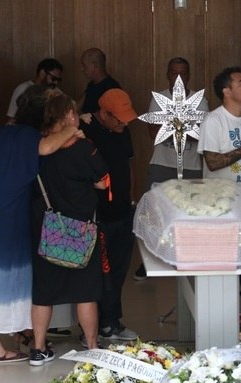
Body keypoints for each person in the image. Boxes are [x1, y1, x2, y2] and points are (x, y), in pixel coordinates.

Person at [0, 85, 82, 363]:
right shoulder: (27, 137)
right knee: (6, 277)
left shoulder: (3, 132)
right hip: (3, 214)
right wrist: (72, 129)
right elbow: (49, 146)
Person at [30, 94, 109, 365]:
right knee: (85, 291)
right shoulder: (83, 148)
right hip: (81, 229)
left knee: (43, 291)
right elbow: (103, 182)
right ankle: (91, 346)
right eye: (74, 113)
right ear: (67, 117)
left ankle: (38, 349)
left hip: (47, 228)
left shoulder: (37, 146)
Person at [197, 66, 241, 312]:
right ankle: (220, 315)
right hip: (220, 206)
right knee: (222, 263)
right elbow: (212, 162)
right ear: (226, 91)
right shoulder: (213, 120)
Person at [133, 57, 209, 281]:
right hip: (162, 163)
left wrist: (176, 127)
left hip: (192, 165)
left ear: (189, 75)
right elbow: (154, 133)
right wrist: (183, 127)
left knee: (192, 214)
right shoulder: (160, 99)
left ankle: (190, 258)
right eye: (174, 72)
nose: (179, 77)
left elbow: (201, 136)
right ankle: (148, 261)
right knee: (152, 213)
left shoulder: (200, 100)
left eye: (183, 73)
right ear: (168, 75)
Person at [81, 88, 139, 341]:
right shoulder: (86, 131)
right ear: (103, 113)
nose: (124, 123)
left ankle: (113, 321)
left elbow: (128, 165)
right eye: (118, 118)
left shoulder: (122, 130)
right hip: (98, 215)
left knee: (118, 270)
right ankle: (95, 328)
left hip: (123, 211)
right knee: (98, 274)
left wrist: (131, 198)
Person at [5, 58, 63, 124]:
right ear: (42, 73)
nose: (56, 83)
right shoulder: (22, 89)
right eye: (53, 78)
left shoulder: (56, 92)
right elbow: (11, 119)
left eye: (58, 80)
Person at [78, 48, 120, 114]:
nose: (82, 69)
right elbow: (78, 107)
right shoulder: (91, 85)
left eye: (84, 65)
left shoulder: (111, 88)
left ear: (94, 66)